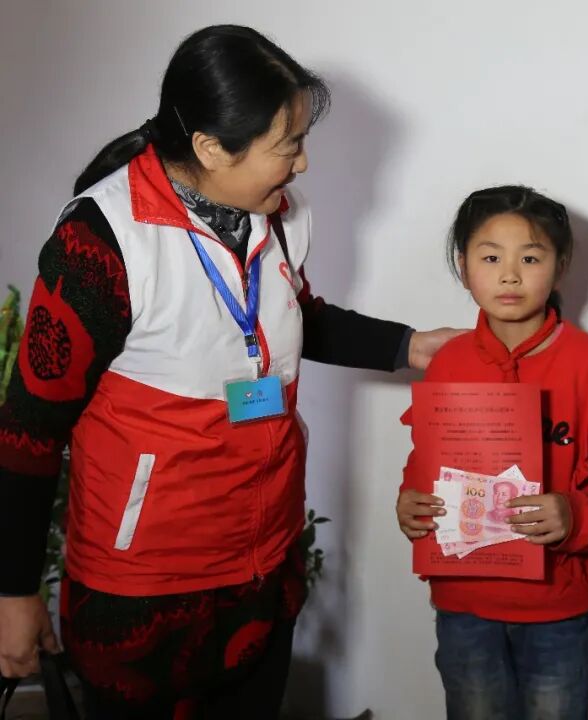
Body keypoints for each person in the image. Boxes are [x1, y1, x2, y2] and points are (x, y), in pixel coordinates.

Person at [0, 24, 459, 719]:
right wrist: (14, 593)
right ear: (211, 147)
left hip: (263, 567)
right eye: (288, 145)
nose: (302, 163)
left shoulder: (280, 215)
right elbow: (28, 432)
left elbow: (293, 316)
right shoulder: (101, 243)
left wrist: (410, 345)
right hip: (145, 591)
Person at [395, 186, 588, 720]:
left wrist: (578, 511)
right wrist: (410, 501)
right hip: (464, 603)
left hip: (559, 606)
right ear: (463, 266)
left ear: (560, 268)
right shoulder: (449, 363)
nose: (510, 275)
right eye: (491, 258)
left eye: (530, 258)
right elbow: (426, 460)